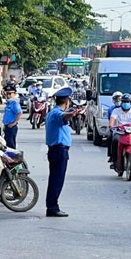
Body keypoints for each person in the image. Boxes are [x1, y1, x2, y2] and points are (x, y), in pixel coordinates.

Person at [45, 87, 79, 217]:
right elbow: (63, 116)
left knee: (54, 179)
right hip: (59, 150)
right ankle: (52, 207)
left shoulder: (52, 112)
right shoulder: (57, 113)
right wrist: (72, 114)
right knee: (57, 180)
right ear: (67, 102)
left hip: (56, 150)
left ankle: (52, 206)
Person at [107, 93, 131, 169]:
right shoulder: (116, 111)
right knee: (114, 140)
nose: (126, 103)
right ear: (121, 102)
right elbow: (112, 119)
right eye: (124, 102)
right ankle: (113, 159)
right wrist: (111, 125)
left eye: (127, 102)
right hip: (120, 133)